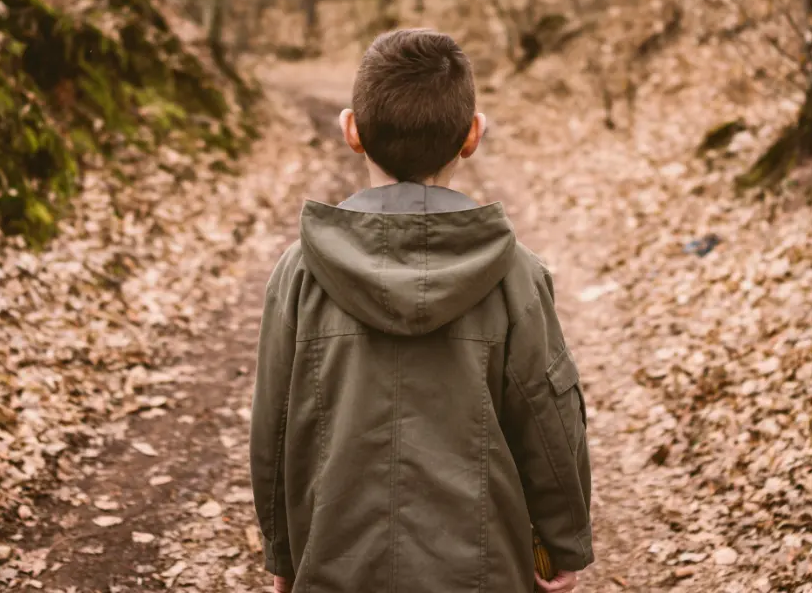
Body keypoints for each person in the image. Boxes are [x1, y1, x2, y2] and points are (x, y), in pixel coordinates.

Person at [249, 29, 593, 592]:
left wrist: (283, 557)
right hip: (483, 574)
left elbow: (274, 429)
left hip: (337, 570)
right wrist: (563, 542)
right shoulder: (516, 276)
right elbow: (550, 420)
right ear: (472, 136)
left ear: (351, 131)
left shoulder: (299, 274)